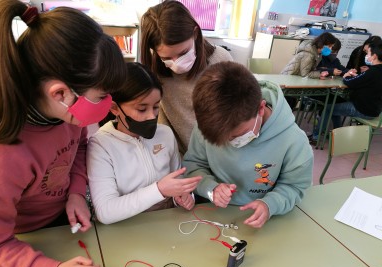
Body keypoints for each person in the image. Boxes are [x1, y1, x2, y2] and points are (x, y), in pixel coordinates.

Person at [0, 1, 127, 267]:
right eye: (101, 96)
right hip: (19, 240)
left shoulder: (65, 111)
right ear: (60, 93)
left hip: (62, 219)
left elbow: (80, 146)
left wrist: (75, 191)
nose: (107, 104)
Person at [183, 61, 313, 229]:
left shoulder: (294, 141)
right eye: (223, 139)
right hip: (210, 212)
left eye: (237, 135)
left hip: (266, 219)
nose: (232, 143)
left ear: (260, 109)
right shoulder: (208, 124)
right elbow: (194, 164)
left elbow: (294, 186)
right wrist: (211, 188)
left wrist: (269, 205)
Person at [87, 62, 202, 224]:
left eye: (156, 107)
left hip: (166, 223)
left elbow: (178, 181)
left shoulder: (165, 134)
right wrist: (159, 189)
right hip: (127, 228)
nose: (151, 116)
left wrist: (182, 198)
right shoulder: (101, 144)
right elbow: (105, 212)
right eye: (142, 109)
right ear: (114, 108)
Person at [140, 0, 233, 154]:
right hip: (177, 155)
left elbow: (234, 114)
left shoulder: (221, 60)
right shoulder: (155, 69)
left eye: (183, 53)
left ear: (195, 33)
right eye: (167, 58)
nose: (177, 64)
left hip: (218, 154)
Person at [314, 41, 382, 136]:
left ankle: (316, 136)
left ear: (374, 56)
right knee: (335, 106)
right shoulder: (377, 70)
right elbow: (361, 80)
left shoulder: (372, 72)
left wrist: (346, 76)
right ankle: (337, 135)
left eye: (368, 53)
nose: (366, 55)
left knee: (328, 109)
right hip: (375, 109)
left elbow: (350, 82)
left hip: (364, 109)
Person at [281, 32, 336, 109]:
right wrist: (319, 74)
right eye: (330, 46)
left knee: (289, 106)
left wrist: (319, 74)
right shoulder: (309, 55)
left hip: (293, 79)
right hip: (289, 81)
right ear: (323, 44)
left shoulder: (316, 53)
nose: (330, 49)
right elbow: (305, 74)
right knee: (287, 106)